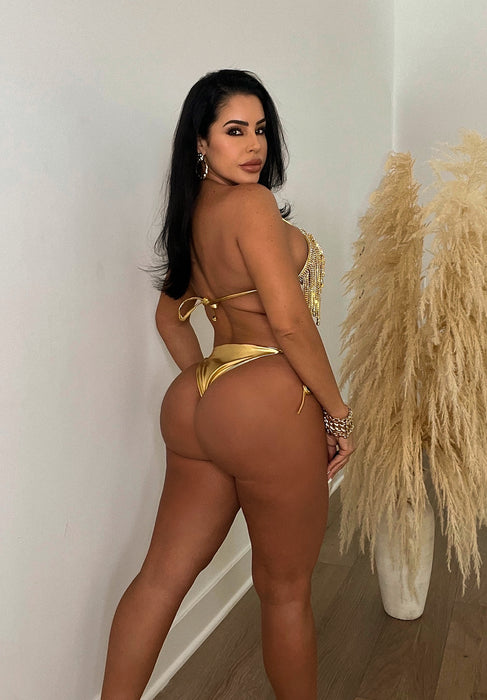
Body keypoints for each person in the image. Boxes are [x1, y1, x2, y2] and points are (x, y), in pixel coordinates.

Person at [100, 69, 355, 700]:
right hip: (267, 401)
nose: (254, 145)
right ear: (201, 142)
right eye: (235, 131)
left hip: (196, 401)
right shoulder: (252, 205)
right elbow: (290, 324)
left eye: (261, 130)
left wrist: (207, 385)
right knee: (286, 591)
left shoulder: (193, 216)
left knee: (160, 578)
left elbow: (170, 315)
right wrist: (338, 414)